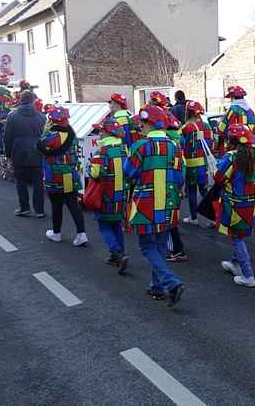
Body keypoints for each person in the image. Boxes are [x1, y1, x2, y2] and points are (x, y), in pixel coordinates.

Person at [124, 105, 185, 307]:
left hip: (146, 202)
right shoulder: (175, 146)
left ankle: (171, 282)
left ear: (150, 123)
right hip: (169, 201)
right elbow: (179, 176)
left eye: (142, 122)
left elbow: (129, 173)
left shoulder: (140, 146)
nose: (140, 126)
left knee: (147, 246)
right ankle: (157, 287)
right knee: (159, 245)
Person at [216, 123, 255, 288]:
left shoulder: (230, 157)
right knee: (239, 234)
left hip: (234, 202)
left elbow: (219, 178)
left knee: (236, 237)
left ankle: (248, 275)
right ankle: (235, 264)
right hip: (250, 203)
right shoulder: (254, 154)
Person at [37, 106, 88, 246]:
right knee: (73, 203)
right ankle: (81, 233)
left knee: (56, 204)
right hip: (70, 173)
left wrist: (45, 130)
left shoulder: (52, 136)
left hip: (54, 175)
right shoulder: (73, 135)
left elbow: (40, 146)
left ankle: (57, 233)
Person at [89, 117, 129, 274]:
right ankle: (120, 254)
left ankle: (117, 253)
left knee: (104, 225)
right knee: (117, 225)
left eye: (100, 131)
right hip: (121, 195)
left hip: (106, 195)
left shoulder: (102, 151)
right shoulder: (123, 149)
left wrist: (89, 168)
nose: (99, 134)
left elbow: (95, 173)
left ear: (106, 133)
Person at [4, 90, 46, 217]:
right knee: (38, 182)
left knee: (21, 181)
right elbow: (45, 137)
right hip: (37, 151)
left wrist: (8, 154)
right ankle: (39, 210)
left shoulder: (12, 116)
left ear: (20, 100)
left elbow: (7, 137)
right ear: (33, 100)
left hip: (18, 151)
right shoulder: (41, 117)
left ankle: (24, 207)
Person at [179, 100, 215, 226]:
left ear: (188, 112)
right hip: (204, 164)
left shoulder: (185, 128)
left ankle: (194, 218)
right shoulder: (206, 126)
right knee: (205, 191)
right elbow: (212, 143)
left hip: (190, 165)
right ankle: (213, 218)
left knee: (192, 191)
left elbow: (180, 146)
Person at [164, 111, 189, 263]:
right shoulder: (177, 143)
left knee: (168, 221)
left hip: (168, 187)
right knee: (172, 218)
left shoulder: (167, 145)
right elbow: (183, 167)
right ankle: (176, 248)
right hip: (176, 187)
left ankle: (176, 251)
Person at [217, 86, 255, 154]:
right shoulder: (251, 111)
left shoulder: (232, 109)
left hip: (234, 146)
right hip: (248, 146)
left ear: (232, 97)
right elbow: (253, 130)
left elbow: (221, 128)